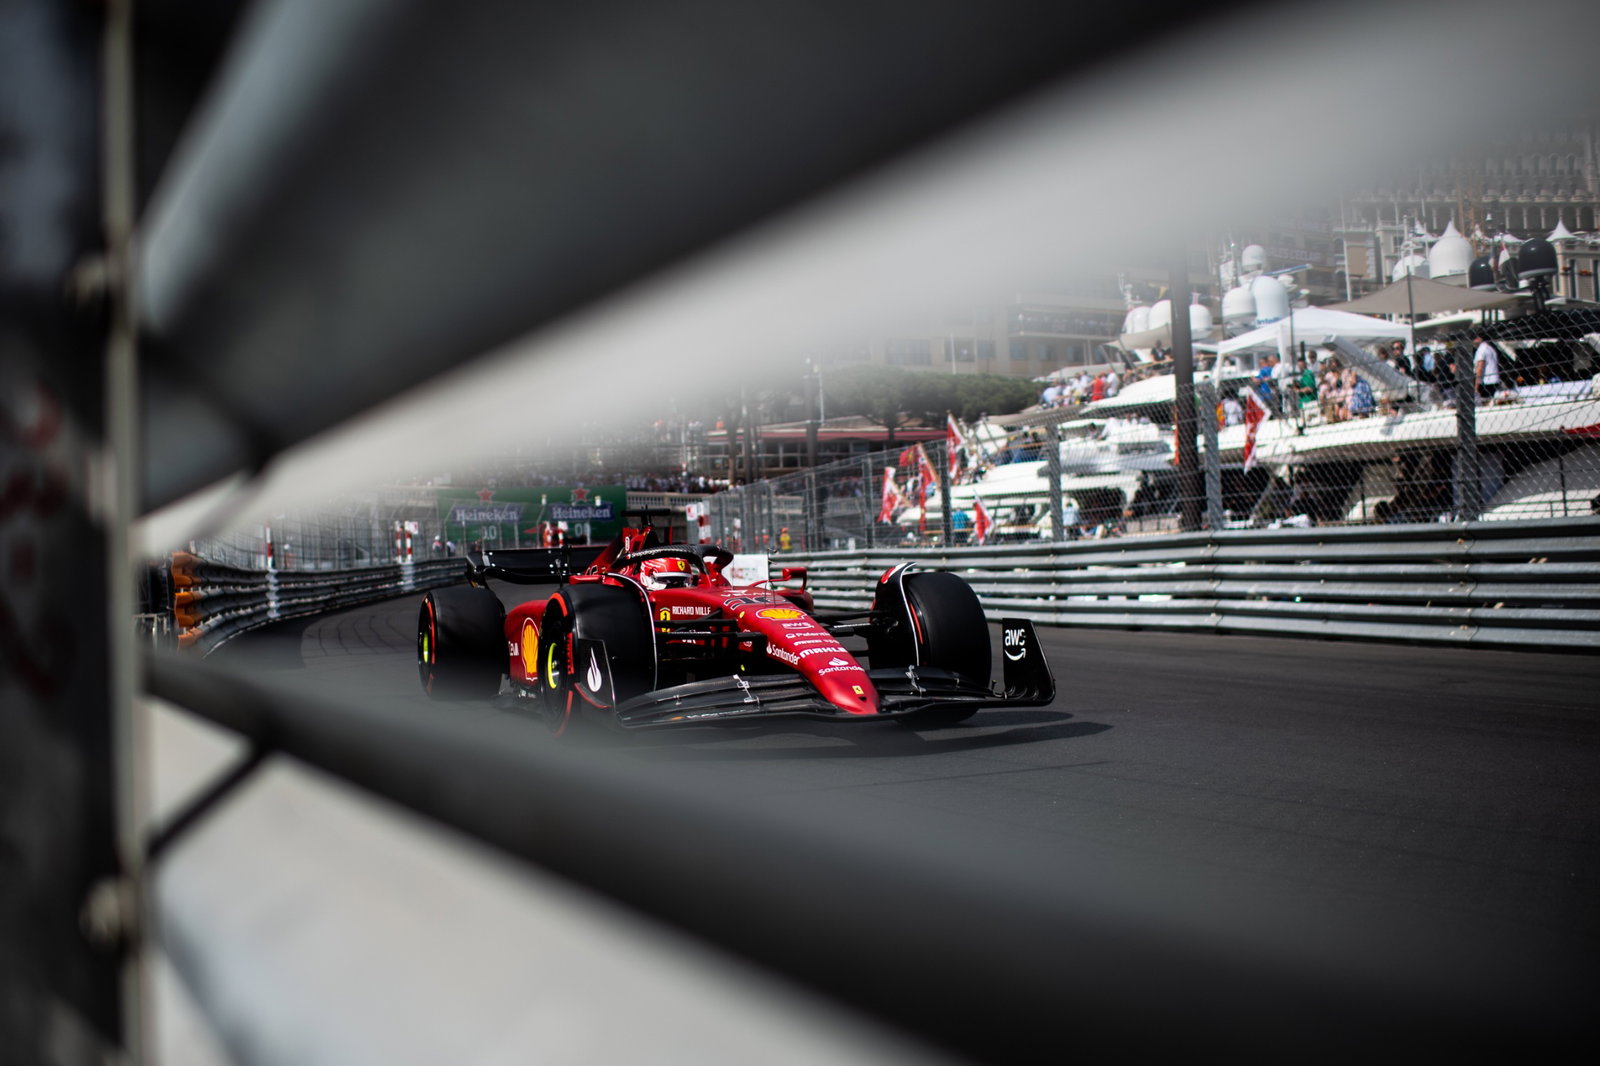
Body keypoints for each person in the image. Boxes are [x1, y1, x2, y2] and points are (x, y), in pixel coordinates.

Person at [1472, 331, 1501, 401]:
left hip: (1486, 382)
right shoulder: (1490, 348)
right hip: (1494, 379)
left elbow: (1480, 367)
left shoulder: (1481, 350)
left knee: (1485, 402)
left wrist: (1476, 386)